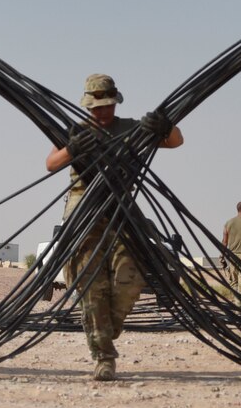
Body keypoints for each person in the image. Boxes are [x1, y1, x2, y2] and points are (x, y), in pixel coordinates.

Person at [43, 74, 183, 381]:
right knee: (91, 286)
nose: (101, 112)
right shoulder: (76, 131)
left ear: (114, 103)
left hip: (122, 210)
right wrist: (72, 149)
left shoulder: (131, 128)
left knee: (130, 276)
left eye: (106, 106)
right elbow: (51, 164)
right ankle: (104, 357)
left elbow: (175, 141)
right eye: (96, 107)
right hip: (84, 213)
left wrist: (164, 126)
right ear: (88, 106)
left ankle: (109, 327)